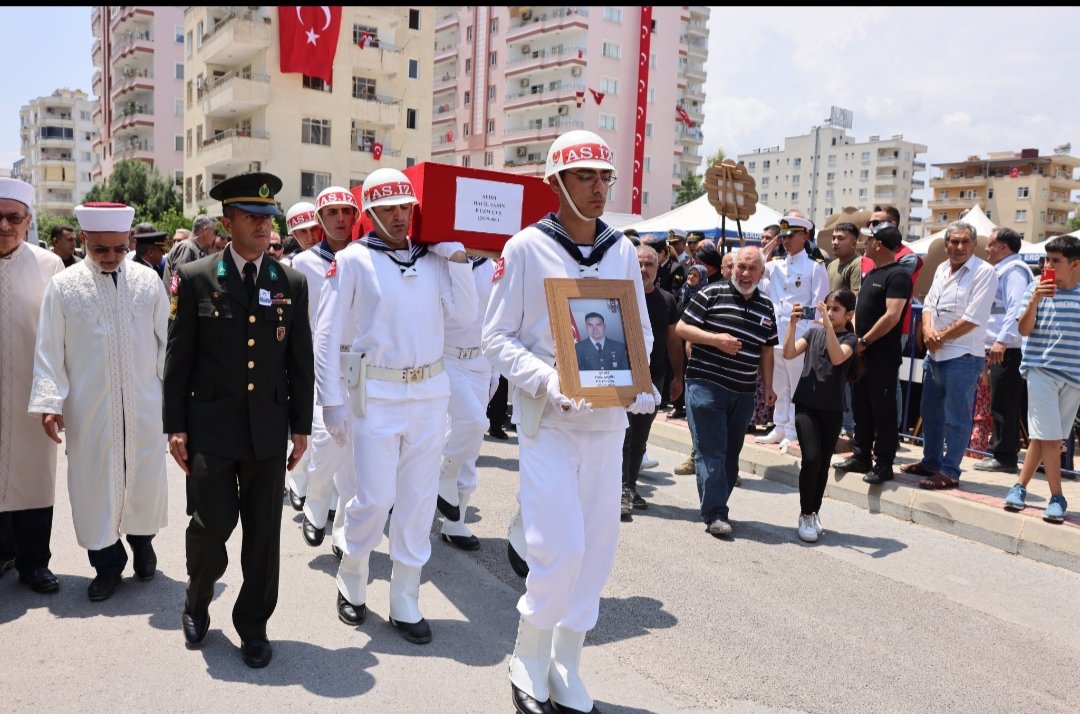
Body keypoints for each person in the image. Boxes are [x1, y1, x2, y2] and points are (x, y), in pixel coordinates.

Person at [482, 129, 655, 714]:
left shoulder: (622, 249)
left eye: (605, 176)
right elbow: (496, 338)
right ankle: (528, 653)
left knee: (599, 550)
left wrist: (639, 379)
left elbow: (639, 329)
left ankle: (567, 659)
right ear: (555, 183)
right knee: (558, 545)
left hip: (606, 425)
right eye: (585, 176)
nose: (599, 187)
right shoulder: (527, 247)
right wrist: (550, 380)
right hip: (550, 423)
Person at [315, 168, 476, 645]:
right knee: (376, 496)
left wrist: (460, 262)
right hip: (375, 395)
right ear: (370, 213)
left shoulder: (433, 260)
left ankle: (406, 594)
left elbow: (466, 317)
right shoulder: (353, 261)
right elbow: (326, 336)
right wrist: (331, 402)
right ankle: (354, 567)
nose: (400, 217)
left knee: (419, 499)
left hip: (429, 392)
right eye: (388, 209)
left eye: (406, 207)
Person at [163, 172, 314, 668]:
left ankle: (253, 625)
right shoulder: (198, 277)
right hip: (211, 427)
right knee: (211, 525)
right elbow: (179, 359)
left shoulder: (289, 281)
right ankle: (197, 597)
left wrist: (300, 426)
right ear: (227, 223)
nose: (263, 227)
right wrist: (176, 425)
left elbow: (300, 361)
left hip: (267, 430)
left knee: (264, 536)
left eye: (268, 218)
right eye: (251, 218)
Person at [29, 202, 169, 602]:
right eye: (100, 249)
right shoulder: (64, 286)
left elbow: (165, 344)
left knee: (143, 480)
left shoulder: (147, 282)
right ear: (84, 240)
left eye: (118, 249)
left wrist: (174, 399)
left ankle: (143, 546)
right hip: (90, 410)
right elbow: (49, 348)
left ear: (129, 242)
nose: (110, 257)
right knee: (92, 486)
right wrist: (50, 401)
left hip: (143, 404)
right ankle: (107, 564)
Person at [676, 246, 776, 538]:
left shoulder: (766, 306)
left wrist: (768, 386)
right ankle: (715, 512)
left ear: (761, 272)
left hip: (743, 392)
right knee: (712, 451)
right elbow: (682, 328)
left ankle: (716, 502)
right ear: (731, 269)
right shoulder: (711, 294)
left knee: (731, 455)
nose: (745, 274)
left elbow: (767, 349)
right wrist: (715, 339)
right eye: (740, 267)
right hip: (706, 386)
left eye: (751, 269)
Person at [0, 177, 63, 594]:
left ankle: (34, 563)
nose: (4, 226)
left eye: (13, 218)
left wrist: (53, 397)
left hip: (32, 392)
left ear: (28, 221)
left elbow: (60, 337)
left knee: (35, 475)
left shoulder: (48, 266)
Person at [903, 221, 997, 490]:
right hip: (936, 354)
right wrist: (929, 330)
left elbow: (973, 318)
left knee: (956, 417)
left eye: (965, 241)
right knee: (930, 412)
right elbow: (929, 304)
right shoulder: (943, 268)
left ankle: (950, 471)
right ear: (946, 245)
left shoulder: (984, 272)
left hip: (963, 355)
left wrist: (938, 336)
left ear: (973, 244)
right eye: (953, 242)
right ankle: (930, 462)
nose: (959, 247)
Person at [289, 188, 358, 547]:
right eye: (333, 213)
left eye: (347, 211)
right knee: (324, 444)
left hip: (362, 369)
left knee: (356, 457)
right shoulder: (302, 265)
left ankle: (345, 533)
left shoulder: (365, 258)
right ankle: (316, 500)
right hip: (321, 364)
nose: (341, 219)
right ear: (320, 220)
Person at [1004, 235, 1080, 522]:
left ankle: (1019, 487)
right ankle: (1057, 497)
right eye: (1046, 259)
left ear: (1075, 265)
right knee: (1050, 438)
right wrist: (1034, 299)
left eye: (1055, 261)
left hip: (1074, 376)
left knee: (1044, 436)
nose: (1048, 265)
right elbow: (1023, 330)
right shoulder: (1034, 287)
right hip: (1041, 370)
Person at [833, 221, 913, 483]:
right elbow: (858, 312)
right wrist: (855, 338)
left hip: (881, 357)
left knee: (883, 410)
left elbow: (892, 316)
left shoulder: (897, 275)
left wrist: (864, 341)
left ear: (878, 244)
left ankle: (884, 464)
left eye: (868, 240)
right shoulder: (872, 274)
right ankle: (861, 456)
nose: (863, 243)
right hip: (862, 354)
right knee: (861, 408)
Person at [783, 290, 859, 543]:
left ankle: (814, 511)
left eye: (835, 309)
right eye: (827, 307)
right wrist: (792, 326)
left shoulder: (850, 338)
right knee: (812, 458)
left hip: (832, 408)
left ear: (849, 315)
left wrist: (828, 325)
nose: (829, 312)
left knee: (823, 463)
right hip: (806, 404)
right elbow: (789, 353)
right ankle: (805, 513)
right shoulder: (813, 332)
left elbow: (838, 358)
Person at [436, 254, 496, 549]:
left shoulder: (494, 266)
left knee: (470, 443)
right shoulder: (441, 260)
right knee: (474, 422)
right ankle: (442, 474)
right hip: (446, 358)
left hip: (481, 362)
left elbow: (498, 319)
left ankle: (454, 521)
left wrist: (495, 367)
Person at [757, 216, 828, 450]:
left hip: (799, 334)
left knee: (796, 385)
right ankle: (779, 426)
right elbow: (752, 265)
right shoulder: (776, 264)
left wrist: (806, 332)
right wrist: (768, 246)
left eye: (790, 236)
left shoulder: (814, 266)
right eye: (783, 236)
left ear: (804, 236)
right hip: (775, 333)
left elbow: (819, 305)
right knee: (779, 384)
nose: (785, 241)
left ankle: (793, 429)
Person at [622, 244, 682, 514]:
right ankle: (616, 489)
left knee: (639, 437)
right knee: (621, 435)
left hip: (654, 378)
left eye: (649, 264)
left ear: (658, 268)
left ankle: (629, 487)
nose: (643, 269)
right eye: (639, 264)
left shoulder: (668, 300)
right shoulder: (619, 295)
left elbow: (673, 341)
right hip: (621, 377)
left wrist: (678, 376)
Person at [974, 227, 1034, 474]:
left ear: (1004, 247)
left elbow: (1016, 308)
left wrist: (1002, 341)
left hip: (1007, 348)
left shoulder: (1015, 271)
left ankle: (1004, 457)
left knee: (1004, 403)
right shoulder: (1003, 269)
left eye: (990, 244)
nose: (986, 249)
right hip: (1000, 346)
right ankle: (1001, 453)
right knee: (1000, 402)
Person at [163, 215, 216, 285]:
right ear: (205, 230)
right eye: (214, 232)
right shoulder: (186, 247)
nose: (215, 236)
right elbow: (179, 280)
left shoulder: (196, 248)